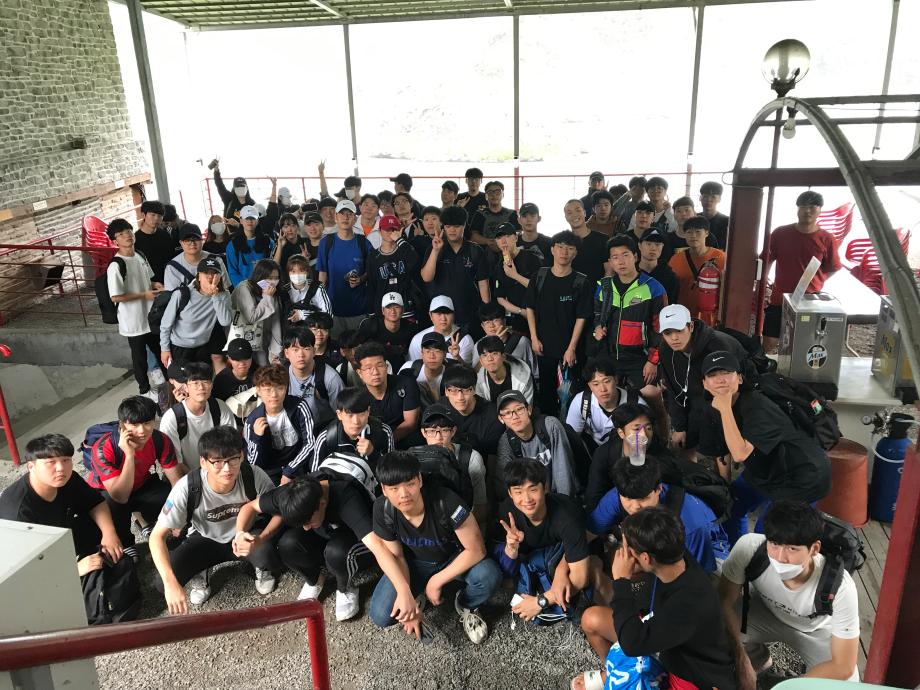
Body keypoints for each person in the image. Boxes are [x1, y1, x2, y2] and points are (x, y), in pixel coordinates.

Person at [576, 507, 736, 690]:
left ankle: (626, 679)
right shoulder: (675, 555)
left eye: (628, 549)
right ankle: (614, 673)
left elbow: (632, 645)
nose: (623, 555)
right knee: (591, 619)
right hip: (663, 639)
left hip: (690, 675)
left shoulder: (688, 605)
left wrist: (621, 581)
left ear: (645, 558)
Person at [234, 470, 414, 622]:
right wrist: (241, 533)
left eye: (308, 521)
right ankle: (315, 579)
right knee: (287, 543)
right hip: (327, 529)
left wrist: (404, 591)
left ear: (322, 504)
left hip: (351, 536)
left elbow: (378, 547)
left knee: (337, 552)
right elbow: (250, 507)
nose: (305, 527)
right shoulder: (290, 492)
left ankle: (345, 587)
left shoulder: (347, 498)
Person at [719, 501, 860, 685]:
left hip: (814, 631)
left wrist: (791, 687)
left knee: (848, 684)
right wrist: (742, 661)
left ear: (814, 549)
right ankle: (757, 661)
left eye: (792, 548)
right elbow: (724, 602)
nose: (780, 557)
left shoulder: (841, 586)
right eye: (774, 544)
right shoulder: (750, 549)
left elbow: (843, 666)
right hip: (764, 614)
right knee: (714, 627)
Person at [368, 451, 502, 643]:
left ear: (420, 480)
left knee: (489, 576)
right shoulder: (383, 509)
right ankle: (417, 594)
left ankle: (466, 604)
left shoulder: (446, 501)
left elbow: (476, 549)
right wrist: (405, 593)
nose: (404, 494)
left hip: (453, 557)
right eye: (394, 488)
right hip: (415, 563)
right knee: (381, 614)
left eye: (410, 484)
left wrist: (436, 581)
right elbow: (396, 556)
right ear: (384, 489)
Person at [701, 350, 831, 543]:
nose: (720, 380)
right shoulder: (714, 405)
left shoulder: (757, 406)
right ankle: (737, 552)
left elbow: (739, 454)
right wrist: (725, 488)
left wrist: (725, 408)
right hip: (768, 469)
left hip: (803, 476)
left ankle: (763, 560)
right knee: (729, 508)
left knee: (768, 533)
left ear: (740, 378)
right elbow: (722, 451)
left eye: (726, 373)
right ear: (704, 383)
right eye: (713, 375)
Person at [0, 434, 129, 623]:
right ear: (31, 466)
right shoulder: (17, 512)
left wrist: (109, 534)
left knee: (112, 509)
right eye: (50, 462)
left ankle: (117, 554)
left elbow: (96, 503)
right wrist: (73, 570)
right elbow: (21, 570)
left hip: (61, 536)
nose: (61, 468)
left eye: (66, 460)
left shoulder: (68, 479)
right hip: (31, 559)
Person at [150, 426, 279, 613]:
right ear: (203, 462)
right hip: (205, 538)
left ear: (242, 456)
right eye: (217, 462)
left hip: (245, 535)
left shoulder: (253, 474)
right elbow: (156, 537)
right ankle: (200, 571)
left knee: (269, 554)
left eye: (233, 459)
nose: (227, 469)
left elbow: (278, 509)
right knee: (161, 582)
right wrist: (170, 583)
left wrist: (261, 538)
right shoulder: (188, 486)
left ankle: (260, 567)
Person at [496, 458, 610, 624]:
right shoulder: (508, 511)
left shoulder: (567, 516)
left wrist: (540, 601)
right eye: (518, 492)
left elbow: (580, 576)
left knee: (593, 574)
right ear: (510, 493)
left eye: (533, 489)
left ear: (545, 488)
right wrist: (511, 548)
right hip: (543, 557)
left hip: (577, 551)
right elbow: (507, 570)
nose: (526, 499)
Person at [588, 455, 729, 573]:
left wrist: (624, 581)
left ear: (658, 489)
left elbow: (698, 574)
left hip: (709, 557)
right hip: (655, 545)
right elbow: (589, 533)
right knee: (615, 559)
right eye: (628, 499)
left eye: (643, 498)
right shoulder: (621, 493)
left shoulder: (690, 522)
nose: (635, 506)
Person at [87, 395, 183, 558]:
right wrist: (129, 455)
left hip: (140, 485)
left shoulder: (159, 439)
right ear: (122, 424)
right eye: (134, 424)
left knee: (167, 496)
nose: (142, 430)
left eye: (147, 423)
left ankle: (143, 520)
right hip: (109, 494)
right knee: (113, 506)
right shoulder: (103, 448)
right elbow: (120, 496)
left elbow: (177, 483)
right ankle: (126, 543)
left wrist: (176, 517)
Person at [657, 304, 749, 458]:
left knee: (719, 444)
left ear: (691, 326)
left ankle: (723, 468)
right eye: (667, 333)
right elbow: (674, 390)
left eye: (679, 330)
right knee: (683, 441)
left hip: (729, 395)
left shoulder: (718, 346)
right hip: (695, 394)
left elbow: (730, 388)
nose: (674, 338)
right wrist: (679, 427)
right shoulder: (666, 349)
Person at [763, 191, 841, 352]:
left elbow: (833, 267)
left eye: (813, 207)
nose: (807, 211)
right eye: (803, 206)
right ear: (797, 209)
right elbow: (766, 260)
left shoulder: (827, 238)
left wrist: (818, 280)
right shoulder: (780, 233)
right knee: (769, 341)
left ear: (820, 210)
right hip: (780, 298)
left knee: (804, 343)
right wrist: (763, 284)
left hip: (809, 300)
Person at [525, 231, 592, 415]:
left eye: (570, 248)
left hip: (571, 349)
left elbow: (582, 317)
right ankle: (549, 424)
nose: (564, 252)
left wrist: (571, 348)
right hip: (543, 345)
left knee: (572, 392)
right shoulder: (539, 276)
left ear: (575, 253)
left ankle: (572, 427)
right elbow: (530, 308)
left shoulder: (581, 281)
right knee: (546, 390)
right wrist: (534, 338)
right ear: (552, 249)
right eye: (560, 247)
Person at [593, 235, 667, 395]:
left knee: (649, 398)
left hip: (641, 359)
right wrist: (598, 328)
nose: (621, 261)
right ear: (610, 262)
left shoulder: (653, 288)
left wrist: (653, 361)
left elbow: (661, 329)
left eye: (625, 255)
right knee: (610, 399)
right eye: (615, 257)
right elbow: (597, 315)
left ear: (635, 257)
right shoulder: (604, 287)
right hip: (609, 356)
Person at [106, 218, 164, 402]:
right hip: (133, 320)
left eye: (129, 231)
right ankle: (144, 390)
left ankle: (170, 382)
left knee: (161, 349)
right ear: (115, 241)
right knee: (139, 357)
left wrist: (155, 284)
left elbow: (148, 279)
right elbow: (116, 297)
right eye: (121, 234)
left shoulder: (140, 255)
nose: (127, 236)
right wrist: (143, 295)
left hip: (150, 315)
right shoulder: (116, 265)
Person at [585, 403, 670, 512]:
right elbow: (594, 493)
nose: (644, 435)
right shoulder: (604, 454)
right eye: (636, 429)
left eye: (648, 428)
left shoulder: (662, 455)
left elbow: (670, 493)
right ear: (621, 433)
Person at [496, 390, 578, 496]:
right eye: (507, 413)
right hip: (529, 499)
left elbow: (564, 474)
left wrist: (563, 502)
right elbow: (507, 483)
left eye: (519, 409)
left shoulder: (550, 426)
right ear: (501, 419)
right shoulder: (506, 441)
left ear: (529, 410)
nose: (514, 416)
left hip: (557, 496)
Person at [414, 404, 488, 522]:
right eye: (432, 431)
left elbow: (480, 507)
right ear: (423, 432)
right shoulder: (414, 458)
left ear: (453, 431)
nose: (438, 437)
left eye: (444, 430)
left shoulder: (470, 458)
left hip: (464, 520)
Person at [244, 363, 316, 484]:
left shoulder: (299, 407)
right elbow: (254, 464)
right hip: (270, 472)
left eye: (279, 388)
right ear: (258, 390)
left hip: (298, 465)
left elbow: (310, 443)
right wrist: (257, 438)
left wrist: (289, 471)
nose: (274, 395)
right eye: (267, 389)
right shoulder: (252, 421)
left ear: (286, 388)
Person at [310, 386, 396, 486]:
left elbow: (393, 473)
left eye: (361, 414)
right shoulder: (326, 438)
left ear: (368, 411)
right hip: (338, 490)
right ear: (339, 414)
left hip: (375, 488)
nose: (356, 421)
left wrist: (373, 453)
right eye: (350, 415)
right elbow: (315, 478)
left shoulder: (383, 432)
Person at [421, 206, 490, 328]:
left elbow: (483, 283)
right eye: (448, 226)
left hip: (469, 312)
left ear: (464, 226)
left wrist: (486, 313)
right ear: (443, 227)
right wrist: (435, 251)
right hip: (441, 314)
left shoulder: (475, 250)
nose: (452, 230)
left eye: (457, 226)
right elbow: (426, 277)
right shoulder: (434, 248)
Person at [159, 361, 236, 468]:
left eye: (205, 382)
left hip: (220, 470)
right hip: (187, 474)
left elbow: (232, 445)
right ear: (185, 387)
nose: (201, 387)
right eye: (195, 383)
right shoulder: (172, 418)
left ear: (211, 385)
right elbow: (173, 464)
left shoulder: (220, 407)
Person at [317, 199, 371, 336]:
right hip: (333, 309)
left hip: (359, 309)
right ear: (336, 217)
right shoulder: (326, 242)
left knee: (358, 346)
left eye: (350, 214)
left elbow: (371, 271)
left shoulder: (364, 243)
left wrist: (361, 279)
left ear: (355, 218)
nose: (345, 217)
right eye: (342, 213)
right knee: (336, 346)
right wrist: (321, 306)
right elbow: (322, 275)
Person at [566, 356, 644, 449]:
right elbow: (571, 438)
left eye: (606, 381)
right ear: (589, 386)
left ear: (616, 380)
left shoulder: (636, 403)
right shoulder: (581, 401)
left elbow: (644, 440)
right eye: (596, 384)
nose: (603, 389)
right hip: (594, 449)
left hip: (628, 449)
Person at [354, 341, 421, 445]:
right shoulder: (357, 397)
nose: (375, 372)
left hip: (405, 440)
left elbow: (410, 423)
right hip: (371, 443)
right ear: (360, 373)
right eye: (368, 368)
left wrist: (385, 443)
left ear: (386, 366)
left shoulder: (406, 384)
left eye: (380, 365)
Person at [668, 217, 726, 326]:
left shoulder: (721, 258)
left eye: (698, 232)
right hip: (684, 318)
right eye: (689, 232)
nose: (693, 236)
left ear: (707, 233)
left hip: (712, 320)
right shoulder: (676, 259)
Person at [366, 214, 422, 319]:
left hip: (406, 307)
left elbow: (416, 263)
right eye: (387, 229)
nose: (390, 232)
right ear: (379, 231)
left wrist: (399, 239)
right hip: (384, 310)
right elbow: (372, 285)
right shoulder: (373, 256)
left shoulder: (405, 249)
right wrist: (372, 312)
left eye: (393, 229)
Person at [284, 327, 344, 423]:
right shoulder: (280, 376)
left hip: (323, 427)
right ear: (287, 353)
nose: (301, 355)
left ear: (314, 351)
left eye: (306, 349)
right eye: (295, 349)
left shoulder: (330, 377)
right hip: (291, 427)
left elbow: (343, 415)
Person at [490, 222, 542, 334]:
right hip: (519, 318)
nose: (503, 241)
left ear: (516, 238)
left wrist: (515, 275)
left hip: (540, 313)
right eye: (499, 238)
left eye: (507, 236)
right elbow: (500, 298)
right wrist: (521, 312)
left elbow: (540, 287)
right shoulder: (499, 266)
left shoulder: (531, 258)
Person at [442, 365, 505, 457]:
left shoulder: (492, 415)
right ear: (446, 391)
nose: (460, 398)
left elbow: (493, 456)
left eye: (466, 390)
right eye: (453, 390)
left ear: (474, 389)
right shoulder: (440, 410)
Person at [231, 258, 284, 366]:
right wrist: (267, 297)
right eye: (269, 278)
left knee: (265, 367)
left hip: (264, 339)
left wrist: (277, 349)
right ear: (260, 277)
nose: (273, 282)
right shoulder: (244, 288)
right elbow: (251, 317)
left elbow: (276, 322)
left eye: (276, 278)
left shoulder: (273, 292)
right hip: (244, 338)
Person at [407, 295, 476, 365]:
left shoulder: (465, 339)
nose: (443, 318)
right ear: (430, 315)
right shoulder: (418, 340)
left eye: (447, 313)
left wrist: (457, 357)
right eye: (439, 314)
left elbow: (468, 371)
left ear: (454, 315)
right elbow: (413, 368)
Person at [358, 293, 418, 371]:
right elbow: (360, 351)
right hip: (375, 367)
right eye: (388, 307)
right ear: (383, 310)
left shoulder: (411, 328)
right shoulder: (370, 326)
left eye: (396, 307)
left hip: (401, 367)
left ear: (403, 310)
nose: (393, 311)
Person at [476, 301, 536, 376]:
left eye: (495, 320)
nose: (491, 325)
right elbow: (476, 372)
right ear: (483, 326)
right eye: (487, 322)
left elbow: (534, 372)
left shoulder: (522, 341)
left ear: (504, 321)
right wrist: (493, 344)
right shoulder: (479, 345)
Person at [164, 224, 229, 291]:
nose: (192, 243)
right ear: (181, 243)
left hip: (215, 297)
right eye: (187, 240)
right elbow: (173, 295)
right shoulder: (172, 267)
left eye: (196, 239)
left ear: (202, 240)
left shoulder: (216, 260)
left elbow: (225, 289)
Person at [475, 336, 535, 404]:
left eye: (494, 353)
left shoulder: (523, 377)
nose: (490, 359)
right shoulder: (478, 382)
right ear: (481, 361)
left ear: (503, 356)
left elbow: (527, 407)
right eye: (485, 355)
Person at [565, 199, 609, 288]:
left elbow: (609, 270)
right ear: (566, 217)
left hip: (597, 292)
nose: (574, 215)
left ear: (584, 213)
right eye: (569, 213)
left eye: (578, 210)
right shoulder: (563, 243)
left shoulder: (603, 239)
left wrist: (602, 291)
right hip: (570, 293)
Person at [279, 253, 332, 325]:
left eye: (301, 271)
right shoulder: (284, 290)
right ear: (288, 273)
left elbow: (328, 315)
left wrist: (302, 315)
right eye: (293, 271)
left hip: (314, 328)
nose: (297, 275)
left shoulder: (317, 287)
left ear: (307, 272)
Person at [133, 200, 178, 284]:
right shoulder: (135, 240)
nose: (156, 218)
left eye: (160, 216)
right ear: (143, 215)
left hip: (170, 279)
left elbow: (172, 257)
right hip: (150, 284)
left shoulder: (165, 235)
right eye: (153, 215)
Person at [399, 332, 449, 407]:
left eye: (437, 351)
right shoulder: (409, 368)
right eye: (428, 351)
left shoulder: (451, 376)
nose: (432, 356)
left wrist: (434, 396)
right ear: (422, 354)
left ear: (445, 354)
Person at [226, 205, 271, 288]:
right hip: (244, 288)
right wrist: (245, 289)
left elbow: (273, 265)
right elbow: (233, 272)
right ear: (241, 220)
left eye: (253, 218)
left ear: (257, 220)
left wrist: (265, 287)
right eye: (246, 218)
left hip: (266, 287)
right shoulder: (233, 245)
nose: (250, 221)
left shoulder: (267, 241)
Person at [469, 181, 519, 253]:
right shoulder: (479, 214)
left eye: (497, 192)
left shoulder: (512, 214)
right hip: (484, 254)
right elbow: (473, 237)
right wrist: (488, 241)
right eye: (490, 192)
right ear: (486, 196)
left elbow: (518, 233)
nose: (494, 195)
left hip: (508, 253)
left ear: (503, 195)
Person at [213, 338, 255, 421]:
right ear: (229, 358)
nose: (242, 363)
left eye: (246, 358)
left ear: (251, 357)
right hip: (230, 420)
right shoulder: (221, 379)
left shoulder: (260, 374)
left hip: (256, 419)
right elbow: (216, 406)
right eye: (237, 359)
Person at [638, 227, 679, 305]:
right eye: (648, 244)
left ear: (662, 247)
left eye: (657, 244)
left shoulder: (670, 277)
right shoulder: (630, 272)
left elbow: (671, 305)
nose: (653, 248)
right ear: (640, 246)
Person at [272, 213, 310, 282]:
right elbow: (274, 266)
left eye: (293, 226)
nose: (290, 229)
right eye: (286, 227)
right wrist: (280, 246)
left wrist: (305, 260)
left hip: (303, 280)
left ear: (297, 227)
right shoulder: (279, 244)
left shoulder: (305, 242)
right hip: (285, 282)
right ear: (281, 229)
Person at [517, 202, 552, 267]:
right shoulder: (513, 243)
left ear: (539, 218)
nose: (529, 220)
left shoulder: (549, 243)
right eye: (524, 216)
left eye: (532, 216)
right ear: (519, 220)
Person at [700, 181, 729, 249]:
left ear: (719, 199)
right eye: (705, 196)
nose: (708, 200)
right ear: (700, 198)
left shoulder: (727, 221)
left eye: (713, 197)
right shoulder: (694, 219)